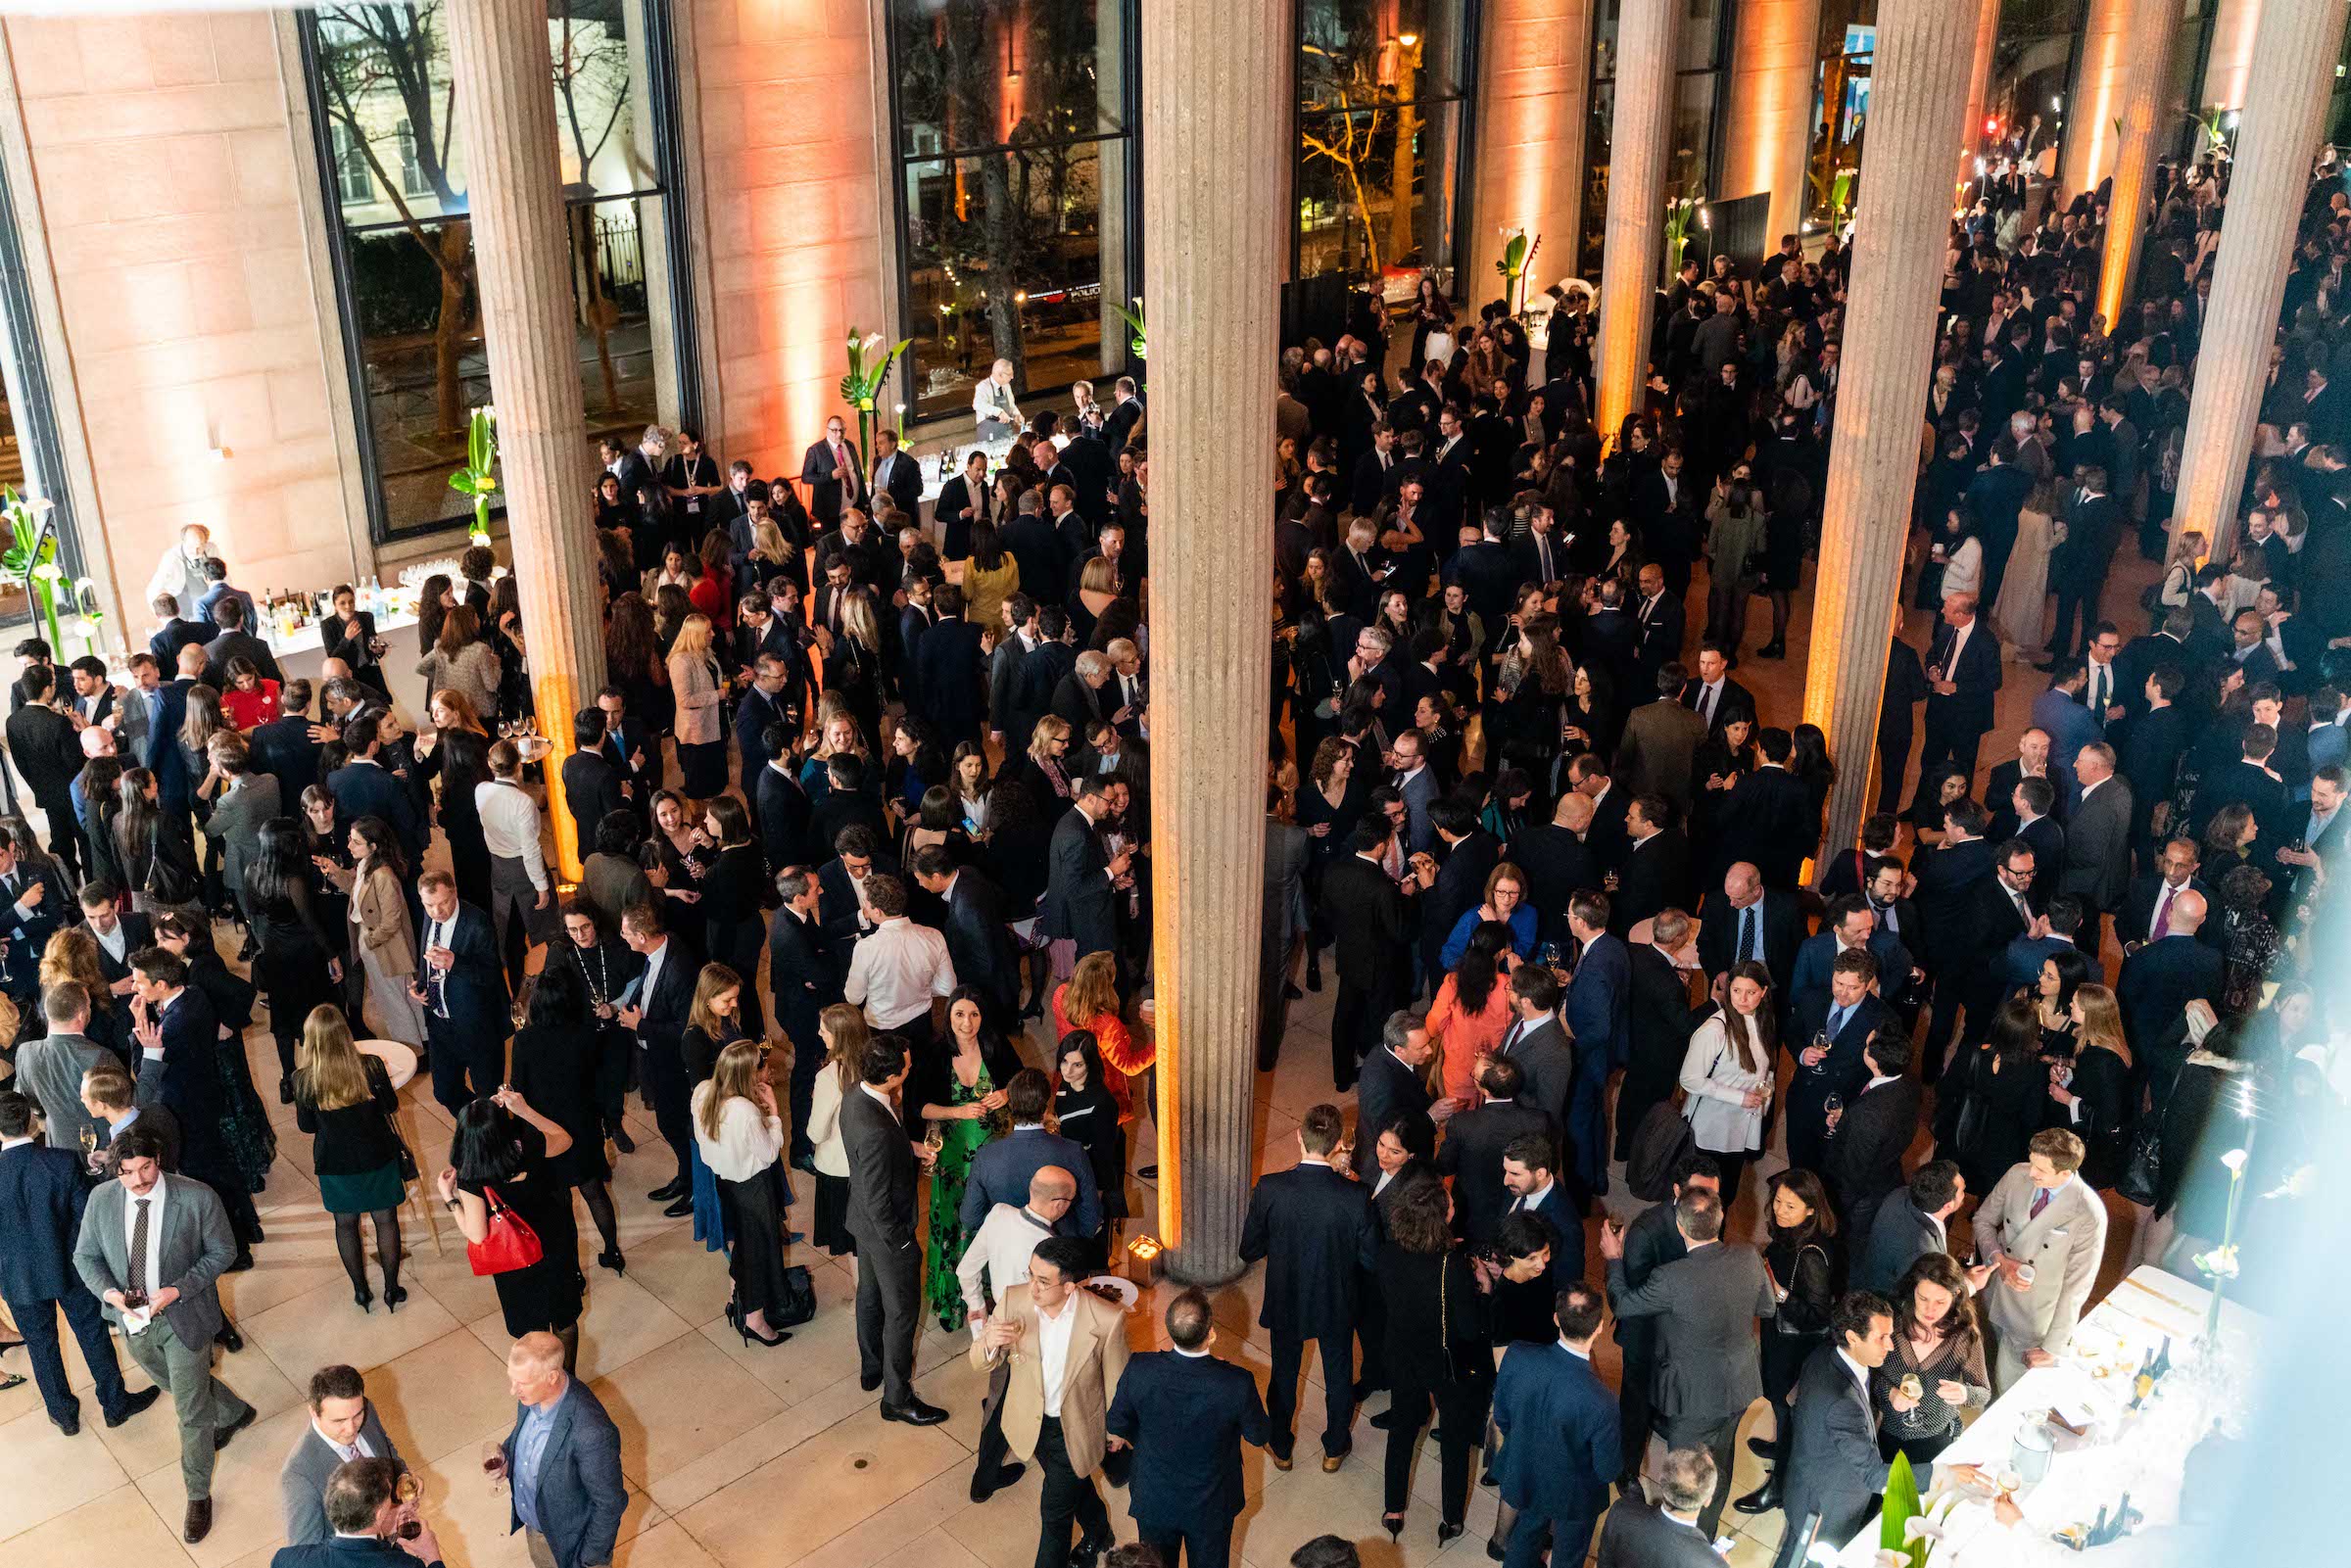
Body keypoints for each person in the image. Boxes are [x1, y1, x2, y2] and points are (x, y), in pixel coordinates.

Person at [72, 1127, 258, 1544]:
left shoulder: (196, 1197)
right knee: (177, 1384)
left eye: (146, 1168)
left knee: (190, 1413)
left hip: (183, 1316)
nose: (139, 1180)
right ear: (115, 1171)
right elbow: (85, 1256)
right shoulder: (101, 1200)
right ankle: (234, 1411)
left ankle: (197, 1495)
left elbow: (223, 1251)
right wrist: (110, 1295)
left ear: (158, 1160)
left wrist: (177, 1290)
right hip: (133, 1323)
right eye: (127, 1172)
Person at [1599, 1187, 1774, 1537]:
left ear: (1680, 1227)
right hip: (1740, 1385)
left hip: (1693, 1398)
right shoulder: (1748, 1256)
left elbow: (1624, 1305)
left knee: (1686, 1477)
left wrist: (1614, 1259)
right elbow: (1767, 1308)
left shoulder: (1671, 1277)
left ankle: (1680, 1541)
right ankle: (1706, 1533)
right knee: (1720, 1461)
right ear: (1720, 1218)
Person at [0, 1090, 162, 1437]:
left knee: (41, 1345)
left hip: (18, 1277)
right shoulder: (62, 1161)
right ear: (30, 1123)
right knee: (92, 1333)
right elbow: (87, 1218)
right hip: (70, 1268)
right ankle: (115, 1405)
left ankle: (63, 1415)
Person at [970, 1233, 1131, 1568]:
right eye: (1030, 1274)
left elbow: (1119, 1381)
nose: (1032, 1287)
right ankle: (1099, 1532)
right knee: (1073, 1485)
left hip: (1076, 1427)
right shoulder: (1014, 1300)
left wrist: (1116, 1430)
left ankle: (1086, 1540)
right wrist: (988, 1343)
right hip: (1031, 1423)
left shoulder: (1106, 1319)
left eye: (1043, 1281)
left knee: (1054, 1514)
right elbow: (979, 1362)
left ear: (1069, 1286)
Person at [1239, 1103, 1377, 1472]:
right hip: (1336, 1299)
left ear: (1299, 1137)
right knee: (1338, 1374)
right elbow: (1370, 1259)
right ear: (1338, 1144)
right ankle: (1334, 1447)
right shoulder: (1355, 1195)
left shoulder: (1270, 1188)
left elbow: (1248, 1250)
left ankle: (1281, 1446)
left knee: (1284, 1373)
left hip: (1287, 1297)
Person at [1107, 1288, 1271, 1568]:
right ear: (1210, 1333)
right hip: (1211, 1503)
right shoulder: (1236, 1383)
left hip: (1155, 1498)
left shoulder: (1139, 1368)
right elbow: (1258, 1436)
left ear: (1170, 1330)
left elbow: (1116, 1423)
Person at [1373, 1176, 1496, 1545]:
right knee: (1454, 1441)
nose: (1454, 1205)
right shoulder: (1452, 1267)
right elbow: (1469, 1330)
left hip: (1401, 1352)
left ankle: (1393, 1509)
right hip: (1445, 1363)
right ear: (1440, 1220)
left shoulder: (1387, 1253)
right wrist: (1484, 1290)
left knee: (1402, 1430)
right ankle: (1452, 1518)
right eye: (1449, 1205)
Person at [841, 1031, 949, 1424]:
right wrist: (902, 1243)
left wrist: (911, 1148)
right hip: (886, 1232)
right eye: (906, 1066)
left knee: (869, 1295)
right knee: (902, 1312)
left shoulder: (856, 1094)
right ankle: (898, 1399)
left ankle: (872, 1368)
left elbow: (878, 1150)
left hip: (861, 1222)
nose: (911, 1068)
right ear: (890, 1077)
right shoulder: (874, 1130)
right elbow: (878, 1200)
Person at [438, 1092, 584, 1369]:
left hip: (515, 1259)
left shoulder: (471, 1176)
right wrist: (524, 1109)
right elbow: (564, 1139)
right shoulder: (529, 1145)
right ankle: (568, 1380)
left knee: (532, 1330)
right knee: (564, 1318)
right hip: (554, 1240)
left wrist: (450, 1199)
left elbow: (477, 1234)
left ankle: (543, 1381)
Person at [1490, 1281, 1622, 1568]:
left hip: (1526, 1470)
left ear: (1556, 1319)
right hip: (1574, 1494)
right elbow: (1607, 1469)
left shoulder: (1517, 1355)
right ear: (1599, 1327)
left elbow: (1502, 1417)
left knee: (1524, 1535)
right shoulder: (1603, 1401)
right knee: (1569, 1555)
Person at [509, 960, 628, 1277]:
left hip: (545, 1132)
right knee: (594, 1192)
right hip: (582, 1126)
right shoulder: (587, 1035)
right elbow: (600, 1083)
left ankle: (573, 1271)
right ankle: (612, 1251)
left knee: (561, 1206)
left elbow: (519, 1089)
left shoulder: (525, 1040)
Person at [1733, 1170, 1838, 1516]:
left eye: (1791, 1206)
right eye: (1778, 1201)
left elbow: (1819, 1316)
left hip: (1796, 1346)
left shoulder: (1810, 1256)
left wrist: (1779, 1293)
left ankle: (1778, 1487)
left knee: (1789, 1408)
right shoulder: (1790, 1233)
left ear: (1811, 1210)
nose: (1780, 1210)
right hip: (1780, 1334)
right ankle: (1780, 1447)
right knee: (1779, 1402)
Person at [1971, 1127, 2108, 1392]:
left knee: (2010, 1389)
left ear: (2065, 1173)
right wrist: (1998, 1259)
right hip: (1994, 1294)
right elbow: (1983, 1220)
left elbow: (2077, 1286)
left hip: (2032, 1316)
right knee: (1983, 1373)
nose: (2031, 1172)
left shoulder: (2088, 1212)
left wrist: (2053, 1347)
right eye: (2032, 1162)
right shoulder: (2017, 1174)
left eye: (2041, 1170)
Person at [292, 1005, 406, 1313]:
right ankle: (392, 1288)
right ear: (345, 1033)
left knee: (345, 1225)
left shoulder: (302, 1079)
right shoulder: (370, 1066)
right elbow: (390, 1106)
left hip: (335, 1163)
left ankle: (360, 1291)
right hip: (377, 1155)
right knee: (386, 1220)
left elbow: (307, 1126)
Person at [915, 988, 1017, 1328]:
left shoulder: (995, 1046)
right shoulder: (936, 1053)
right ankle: (952, 1303)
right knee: (952, 1224)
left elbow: (1022, 1082)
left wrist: (1006, 1093)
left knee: (991, 1223)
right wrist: (957, 1112)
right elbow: (919, 1107)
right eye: (959, 1014)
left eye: (973, 1014)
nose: (967, 1023)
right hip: (953, 1160)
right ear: (949, 1017)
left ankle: (993, 1294)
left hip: (994, 1157)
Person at [692, 1038, 795, 1347]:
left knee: (743, 1245)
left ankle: (735, 1297)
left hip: (725, 1186)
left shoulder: (703, 1092)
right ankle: (755, 1320)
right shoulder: (744, 1110)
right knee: (759, 1252)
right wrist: (774, 1113)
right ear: (750, 1074)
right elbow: (769, 1153)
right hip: (753, 1188)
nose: (768, 1070)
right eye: (763, 1067)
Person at [491, 1331, 626, 1568]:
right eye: (512, 1380)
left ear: (552, 1377)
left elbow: (610, 1504)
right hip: (539, 1532)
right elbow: (523, 1436)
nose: (513, 1390)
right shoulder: (532, 1396)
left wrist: (589, 1560)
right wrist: (507, 1456)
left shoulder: (592, 1432)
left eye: (522, 1383)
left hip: (572, 1549)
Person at [1779, 1292, 1898, 1547]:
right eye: (1881, 1338)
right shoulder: (1843, 1402)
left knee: (1792, 1556)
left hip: (1808, 1486)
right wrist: (1940, 1476)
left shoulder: (1826, 1354)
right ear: (1852, 1337)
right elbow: (1875, 1475)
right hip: (1826, 1511)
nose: (1890, 1345)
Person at [246, 816, 345, 1105]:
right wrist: (332, 954)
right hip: (303, 950)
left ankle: (288, 1078)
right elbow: (310, 923)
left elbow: (253, 911)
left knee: (282, 1016)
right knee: (312, 1011)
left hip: (275, 947)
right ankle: (318, 1073)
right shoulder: (293, 879)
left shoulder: (253, 871)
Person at [1872, 1254, 1989, 1468]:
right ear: (1913, 1290)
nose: (1930, 1310)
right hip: (1889, 1433)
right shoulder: (1892, 1324)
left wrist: (1965, 1393)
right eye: (1923, 1298)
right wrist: (1890, 1392)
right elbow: (1869, 1374)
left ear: (1956, 1294)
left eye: (1940, 1302)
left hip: (1935, 1437)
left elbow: (1983, 1393)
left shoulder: (1963, 1335)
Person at [618, 902, 699, 1212]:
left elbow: (684, 1028)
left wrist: (640, 1025)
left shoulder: (679, 968)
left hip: (674, 1063)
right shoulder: (658, 951)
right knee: (668, 1123)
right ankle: (684, 1176)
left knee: (678, 1125)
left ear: (641, 936)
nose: (622, 937)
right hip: (654, 1057)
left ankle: (695, 1187)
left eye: (625, 932)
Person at [409, 869, 510, 1118]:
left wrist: (455, 963)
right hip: (440, 1023)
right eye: (429, 905)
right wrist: (421, 985)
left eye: (443, 903)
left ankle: (496, 1135)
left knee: (489, 1097)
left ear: (454, 893)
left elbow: (491, 975)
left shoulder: (477, 922)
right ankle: (476, 1128)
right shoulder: (428, 916)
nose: (437, 911)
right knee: (445, 1091)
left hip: (477, 1025)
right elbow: (426, 960)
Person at [1676, 959, 1774, 1201]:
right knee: (1703, 1199)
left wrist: (1763, 1097)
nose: (1742, 999)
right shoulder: (1715, 1029)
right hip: (1711, 1128)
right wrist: (1740, 1097)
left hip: (1739, 1128)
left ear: (1763, 992)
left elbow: (1765, 1069)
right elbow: (1689, 1079)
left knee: (1727, 1195)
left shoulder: (1763, 1022)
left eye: (1751, 992)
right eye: (1736, 990)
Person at [279, 1364, 408, 1545]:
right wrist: (375, 1529)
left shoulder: (365, 1409)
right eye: (339, 1421)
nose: (351, 1429)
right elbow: (308, 1552)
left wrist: (403, 1476)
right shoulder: (299, 1476)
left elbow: (384, 1445)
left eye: (357, 1415)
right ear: (314, 1413)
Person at [842, 872, 955, 1052]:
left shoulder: (866, 948)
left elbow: (853, 997)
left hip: (881, 1029)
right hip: (922, 1022)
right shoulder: (933, 936)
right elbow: (947, 987)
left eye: (866, 904)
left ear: (877, 911)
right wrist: (920, 988)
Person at [345, 818, 428, 1049]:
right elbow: (359, 895)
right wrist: (334, 873)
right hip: (377, 942)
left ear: (373, 846)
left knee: (394, 1001)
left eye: (356, 842)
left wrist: (370, 941)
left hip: (384, 946)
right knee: (402, 996)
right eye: (350, 839)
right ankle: (422, 1042)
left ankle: (411, 1049)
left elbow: (391, 922)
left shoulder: (383, 875)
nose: (349, 846)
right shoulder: (365, 865)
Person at [1052, 1031, 1128, 1239]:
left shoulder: (1103, 1102)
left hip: (1088, 1178)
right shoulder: (1065, 1086)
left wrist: (1093, 1203)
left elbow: (1103, 1159)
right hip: (1068, 1169)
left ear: (1090, 1065)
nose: (1068, 1070)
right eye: (1065, 1061)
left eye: (1077, 1065)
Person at [1594, 1447, 1722, 1568]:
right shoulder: (1711, 1563)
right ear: (1707, 1500)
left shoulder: (1621, 1512)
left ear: (1662, 1482)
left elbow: (1604, 1564)